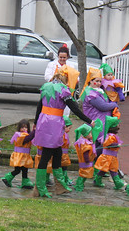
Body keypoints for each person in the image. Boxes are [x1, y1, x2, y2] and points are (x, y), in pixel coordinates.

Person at [33, 65, 93, 198]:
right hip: (53, 124)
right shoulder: (63, 90)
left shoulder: (46, 87)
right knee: (47, 155)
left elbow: (39, 106)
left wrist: (36, 123)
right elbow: (75, 109)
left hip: (44, 122)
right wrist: (89, 121)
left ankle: (60, 186)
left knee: (57, 152)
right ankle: (40, 188)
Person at [80, 67, 119, 184]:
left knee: (99, 147)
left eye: (99, 81)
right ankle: (97, 172)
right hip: (97, 124)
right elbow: (103, 106)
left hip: (100, 123)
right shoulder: (92, 94)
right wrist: (114, 104)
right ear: (90, 81)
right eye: (95, 81)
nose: (97, 83)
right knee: (100, 147)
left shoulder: (97, 91)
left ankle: (99, 172)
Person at [1, 119, 35, 189]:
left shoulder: (25, 135)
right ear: (19, 128)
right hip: (20, 157)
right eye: (22, 127)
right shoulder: (20, 135)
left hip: (24, 156)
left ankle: (25, 182)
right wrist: (34, 131)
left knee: (25, 170)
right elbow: (28, 138)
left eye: (26, 127)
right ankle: (7, 178)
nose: (24, 129)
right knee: (18, 170)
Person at [94, 116, 124, 190]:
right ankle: (117, 183)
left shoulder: (111, 136)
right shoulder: (110, 137)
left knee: (111, 169)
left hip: (111, 156)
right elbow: (107, 144)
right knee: (106, 169)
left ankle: (117, 183)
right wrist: (116, 145)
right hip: (107, 156)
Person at [73, 122, 100, 192]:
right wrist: (87, 160)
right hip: (85, 162)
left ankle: (80, 184)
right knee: (83, 174)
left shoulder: (87, 141)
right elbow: (85, 153)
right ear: (86, 134)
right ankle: (79, 185)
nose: (91, 134)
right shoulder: (84, 143)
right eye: (90, 133)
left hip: (88, 162)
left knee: (85, 174)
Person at [61, 116, 73, 186]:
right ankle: (65, 179)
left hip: (64, 154)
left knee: (64, 167)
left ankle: (65, 178)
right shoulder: (63, 135)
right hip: (62, 155)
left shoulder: (64, 134)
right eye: (68, 128)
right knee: (63, 167)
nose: (69, 130)